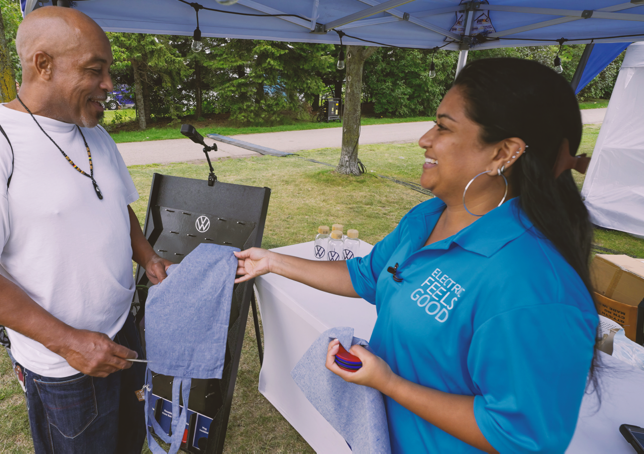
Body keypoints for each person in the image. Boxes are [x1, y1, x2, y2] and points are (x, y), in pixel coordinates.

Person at [235, 58, 598, 454]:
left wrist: (390, 384)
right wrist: (272, 261)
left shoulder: (534, 284)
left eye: (443, 127)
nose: (425, 138)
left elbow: (520, 436)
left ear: (503, 153)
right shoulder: (425, 219)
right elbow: (368, 275)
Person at [0, 7, 170, 453]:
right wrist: (69, 343)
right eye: (94, 70)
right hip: (64, 363)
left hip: (123, 332)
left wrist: (148, 257)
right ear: (43, 65)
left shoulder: (95, 133)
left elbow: (117, 204)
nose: (108, 84)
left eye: (108, 71)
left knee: (131, 440)